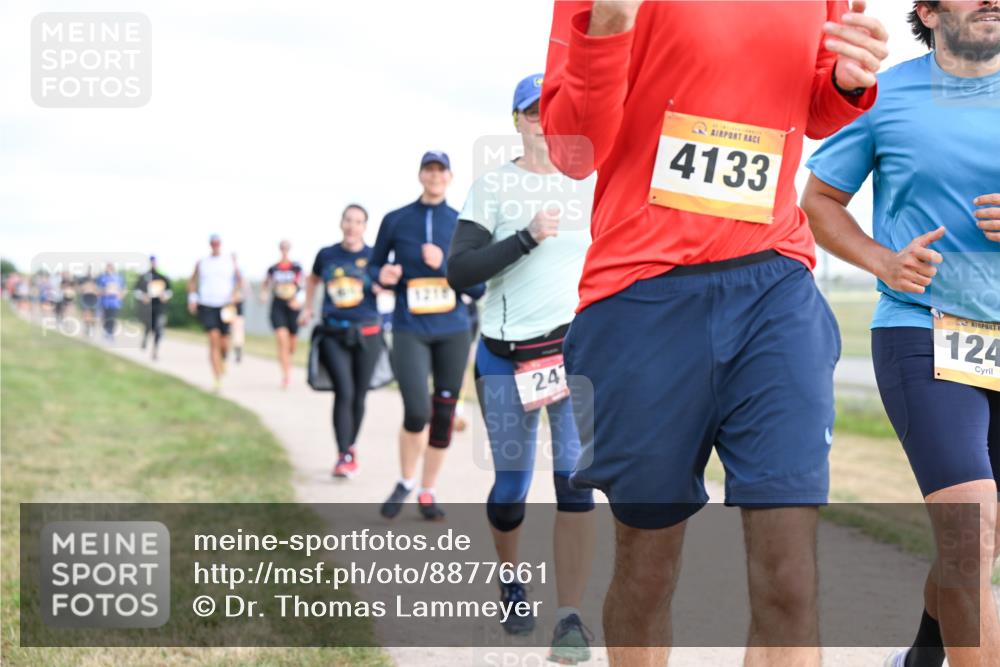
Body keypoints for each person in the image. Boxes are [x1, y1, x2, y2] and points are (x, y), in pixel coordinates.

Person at [541, 1, 889, 665]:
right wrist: (609, 23)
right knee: (647, 568)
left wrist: (847, 81)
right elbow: (573, 151)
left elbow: (815, 106)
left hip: (774, 284)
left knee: (790, 579)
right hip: (641, 294)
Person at [802, 3, 1000, 665]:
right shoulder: (884, 97)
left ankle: (918, 659)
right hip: (923, 329)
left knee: (977, 544)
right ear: (929, 11)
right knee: (970, 529)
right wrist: (884, 262)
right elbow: (819, 201)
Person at [448, 73, 598, 662]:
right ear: (516, 121)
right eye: (532, 111)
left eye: (551, 108)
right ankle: (511, 580)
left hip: (572, 356)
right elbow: (460, 272)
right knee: (512, 488)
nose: (543, 119)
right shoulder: (493, 187)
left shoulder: (589, 182)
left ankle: (570, 616)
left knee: (575, 483)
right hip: (507, 359)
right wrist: (527, 238)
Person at [369, 151, 485, 521]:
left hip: (453, 330)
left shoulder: (463, 223)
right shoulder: (396, 219)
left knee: (444, 414)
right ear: (421, 175)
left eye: (441, 170)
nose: (435, 176)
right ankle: (405, 480)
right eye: (429, 169)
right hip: (410, 328)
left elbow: (479, 287)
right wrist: (381, 276)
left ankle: (427, 490)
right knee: (417, 410)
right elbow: (373, 266)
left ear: (450, 177)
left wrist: (446, 265)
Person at [300, 204, 384, 478]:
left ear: (364, 227)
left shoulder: (374, 256)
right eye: (348, 220)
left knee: (359, 394)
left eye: (358, 222)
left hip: (367, 334)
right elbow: (313, 279)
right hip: (333, 333)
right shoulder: (326, 255)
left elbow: (388, 284)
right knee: (344, 391)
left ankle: (351, 447)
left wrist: (383, 286)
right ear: (341, 223)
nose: (352, 226)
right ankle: (343, 454)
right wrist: (308, 307)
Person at [188, 234, 241, 391]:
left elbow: (240, 281)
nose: (215, 245)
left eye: (217, 243)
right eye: (213, 243)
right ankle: (217, 378)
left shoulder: (229, 261)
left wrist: (235, 294)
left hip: (225, 305)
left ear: (220, 244)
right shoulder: (202, 262)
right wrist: (192, 298)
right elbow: (192, 281)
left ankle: (223, 358)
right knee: (213, 339)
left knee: (224, 343)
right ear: (210, 244)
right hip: (207, 304)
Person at [261, 241, 304, 388]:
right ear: (280, 249)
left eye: (286, 248)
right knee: (282, 340)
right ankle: (286, 376)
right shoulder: (273, 268)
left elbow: (304, 285)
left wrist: (299, 301)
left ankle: (288, 360)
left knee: (291, 345)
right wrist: (264, 294)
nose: (284, 250)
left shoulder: (296, 267)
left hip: (293, 306)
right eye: (282, 248)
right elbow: (265, 283)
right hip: (278, 305)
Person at [133, 256, 173, 360]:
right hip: (147, 307)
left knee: (159, 328)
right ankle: (145, 339)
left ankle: (155, 351)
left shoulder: (163, 277)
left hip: (159, 306)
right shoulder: (143, 276)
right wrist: (143, 296)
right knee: (148, 325)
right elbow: (136, 291)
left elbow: (169, 291)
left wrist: (165, 296)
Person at [95, 263, 125, 343]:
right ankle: (106, 331)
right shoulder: (102, 278)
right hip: (105, 302)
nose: (109, 270)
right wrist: (104, 291)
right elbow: (97, 289)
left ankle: (111, 333)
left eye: (110, 268)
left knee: (113, 318)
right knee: (106, 318)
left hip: (115, 302)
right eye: (108, 268)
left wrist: (120, 295)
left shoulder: (119, 278)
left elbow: (123, 289)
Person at [77, 269, 100, 337]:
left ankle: (92, 327)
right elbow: (79, 290)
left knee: (93, 315)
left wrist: (94, 291)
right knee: (86, 314)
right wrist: (83, 289)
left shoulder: (97, 282)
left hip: (94, 299)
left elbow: (99, 292)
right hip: (85, 298)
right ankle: (87, 327)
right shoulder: (83, 282)